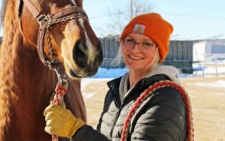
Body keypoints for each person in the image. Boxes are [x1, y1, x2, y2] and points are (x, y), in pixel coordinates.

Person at [44, 13, 191, 140]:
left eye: (146, 44)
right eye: (130, 40)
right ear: (122, 43)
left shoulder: (166, 97)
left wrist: (75, 130)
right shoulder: (116, 93)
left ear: (159, 52)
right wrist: (63, 130)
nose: (135, 49)